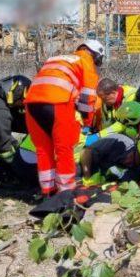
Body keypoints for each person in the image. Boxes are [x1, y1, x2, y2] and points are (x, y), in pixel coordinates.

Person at [25, 40, 103, 196]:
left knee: (43, 150)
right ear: (95, 55)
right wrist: (87, 122)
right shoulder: (86, 61)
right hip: (58, 102)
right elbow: (88, 98)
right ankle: (66, 194)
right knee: (64, 149)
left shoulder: (55, 59)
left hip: (31, 103)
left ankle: (48, 192)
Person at [92, 79, 140, 143]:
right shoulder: (107, 104)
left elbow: (122, 125)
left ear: (113, 93)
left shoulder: (133, 98)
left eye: (104, 98)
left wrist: (98, 136)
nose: (103, 101)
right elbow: (106, 124)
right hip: (120, 138)